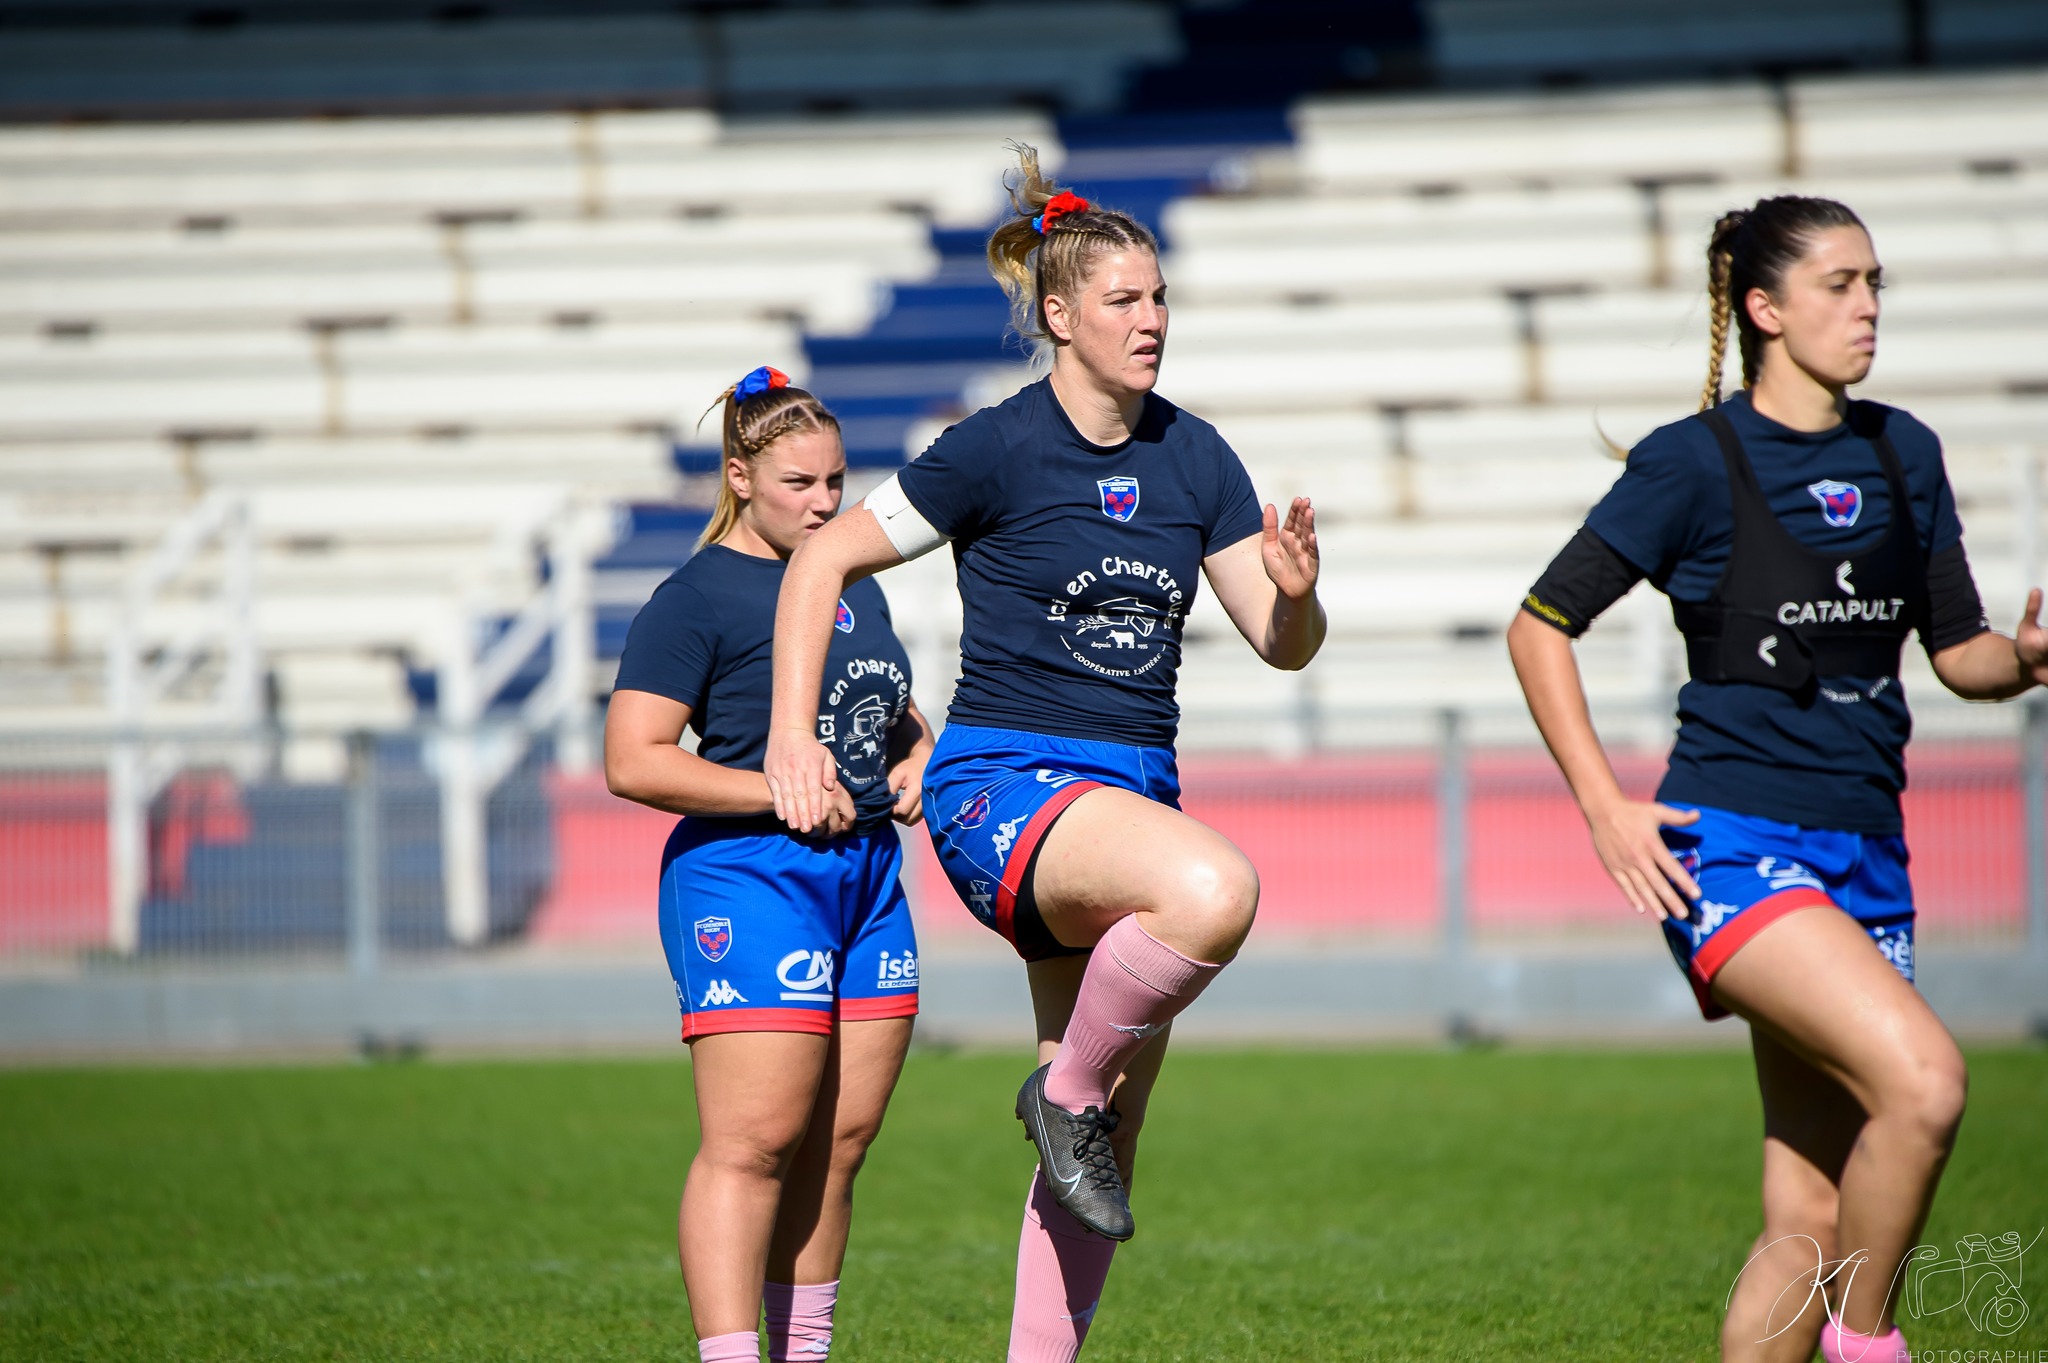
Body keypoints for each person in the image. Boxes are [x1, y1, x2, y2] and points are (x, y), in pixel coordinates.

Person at [761, 147, 1325, 1363]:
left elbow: (1279, 647)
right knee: (1213, 890)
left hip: (1128, 794)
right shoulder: (993, 447)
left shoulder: (1196, 456)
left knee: (1103, 1158)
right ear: (1059, 316)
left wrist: (1297, 599)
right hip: (1002, 787)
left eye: (1161, 296)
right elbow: (817, 561)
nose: (1152, 319)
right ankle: (1060, 1094)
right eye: (1124, 300)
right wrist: (788, 740)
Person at [1507, 196, 2048, 1363]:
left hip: (1869, 854)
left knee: (1805, 1219)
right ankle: (1872, 1347)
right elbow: (1538, 625)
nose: (1864, 308)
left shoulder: (1904, 450)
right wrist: (1605, 805)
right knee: (1928, 1083)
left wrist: (2025, 660)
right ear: (1762, 308)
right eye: (1838, 285)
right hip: (1738, 846)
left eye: (1874, 285)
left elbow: (1957, 655)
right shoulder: (1689, 463)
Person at [605, 366, 935, 1363]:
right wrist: (772, 788)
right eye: (799, 483)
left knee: (838, 1147)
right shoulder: (695, 594)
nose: (825, 503)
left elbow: (883, 708)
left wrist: (917, 752)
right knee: (752, 1143)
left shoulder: (847, 578)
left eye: (835, 481)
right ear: (739, 476)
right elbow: (631, 758)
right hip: (750, 877)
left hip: (869, 878)